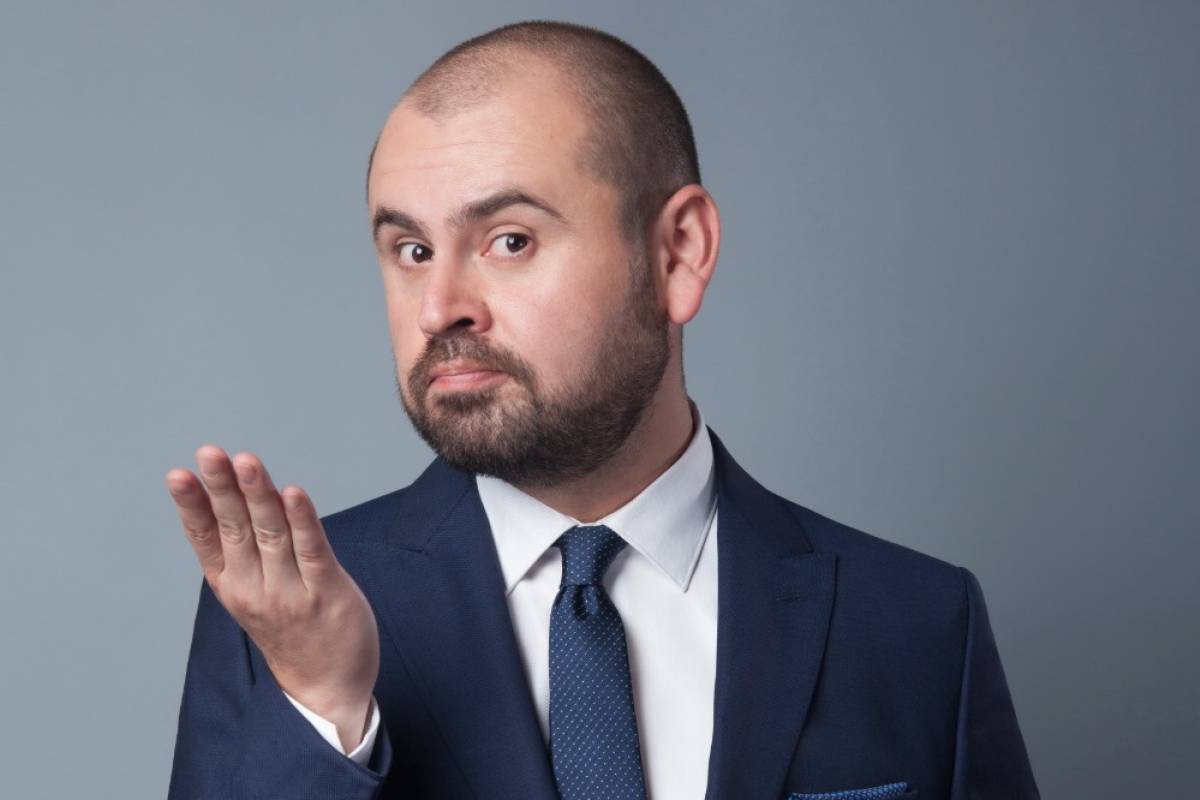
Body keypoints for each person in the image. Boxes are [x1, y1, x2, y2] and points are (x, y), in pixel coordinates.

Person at [165, 19, 1040, 800]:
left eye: (509, 240)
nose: (438, 309)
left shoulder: (920, 623)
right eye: (412, 249)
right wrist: (325, 709)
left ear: (678, 253)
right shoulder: (283, 618)